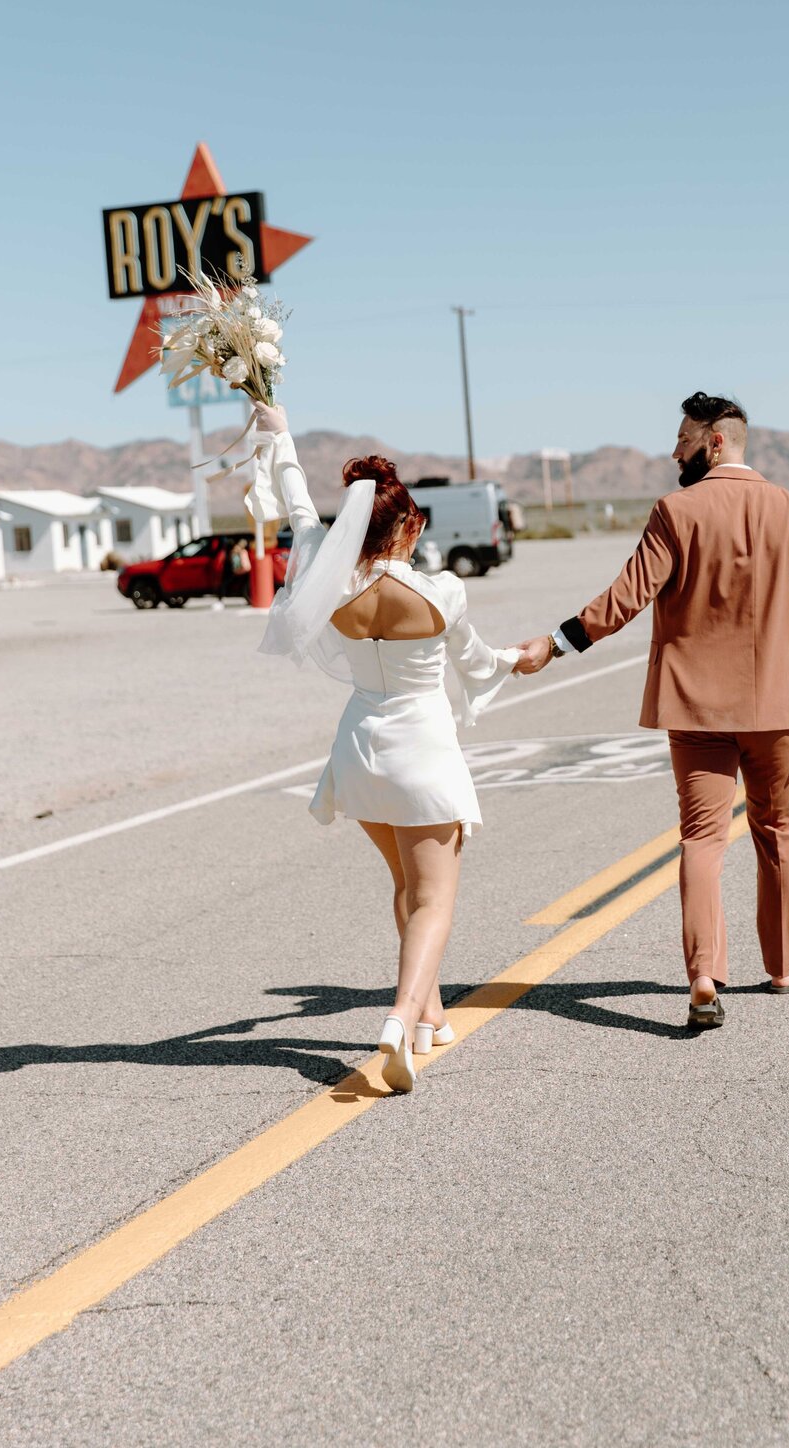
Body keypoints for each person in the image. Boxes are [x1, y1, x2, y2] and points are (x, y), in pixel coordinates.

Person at [515, 391, 789, 1030]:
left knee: (702, 839)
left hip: (698, 711)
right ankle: (784, 968)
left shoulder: (675, 512)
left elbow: (628, 595)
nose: (673, 449)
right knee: (777, 833)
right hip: (778, 709)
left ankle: (704, 974)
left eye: (683, 438)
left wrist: (556, 643)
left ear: (716, 441)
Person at [250, 401, 519, 1093]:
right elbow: (480, 662)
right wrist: (522, 657)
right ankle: (400, 1018)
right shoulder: (441, 590)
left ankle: (428, 1016)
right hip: (421, 751)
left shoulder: (325, 574)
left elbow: (299, 504)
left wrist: (279, 433)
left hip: (357, 752)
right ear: (408, 524)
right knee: (434, 897)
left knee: (405, 883)